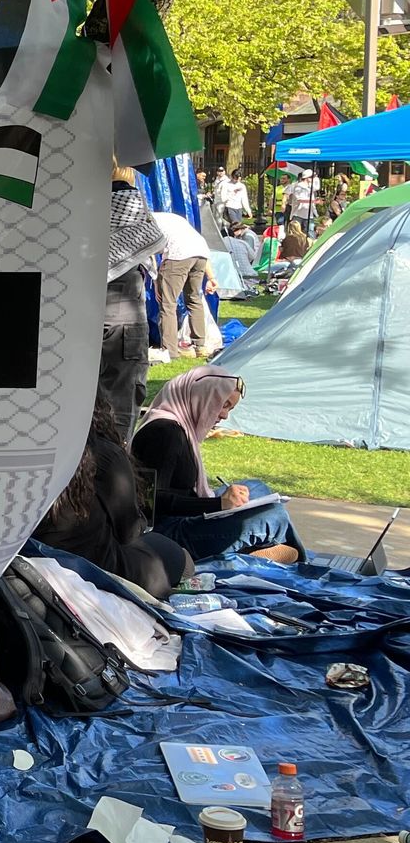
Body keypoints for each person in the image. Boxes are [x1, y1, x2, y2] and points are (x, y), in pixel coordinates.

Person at [131, 367, 301, 563]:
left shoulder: (181, 426)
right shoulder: (165, 433)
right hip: (165, 532)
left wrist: (222, 505)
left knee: (256, 488)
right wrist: (217, 505)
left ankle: (261, 552)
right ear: (200, 396)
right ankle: (286, 556)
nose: (224, 415)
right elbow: (149, 501)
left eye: (229, 408)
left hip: (184, 515)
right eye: (223, 405)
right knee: (273, 515)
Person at [36, 407, 194, 598]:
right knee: (183, 560)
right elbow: (129, 532)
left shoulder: (34, 445)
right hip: (96, 567)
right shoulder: (104, 453)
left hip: (42, 556)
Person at [101, 166, 164, 421]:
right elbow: (154, 239)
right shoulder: (128, 200)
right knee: (122, 397)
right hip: (121, 313)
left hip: (86, 303)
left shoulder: (76, 203)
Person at [152, 210, 217, 359]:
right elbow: (198, 249)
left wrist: (156, 280)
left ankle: (169, 352)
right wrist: (211, 277)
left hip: (178, 255)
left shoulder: (146, 222)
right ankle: (200, 346)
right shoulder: (173, 218)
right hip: (201, 253)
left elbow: (149, 253)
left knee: (168, 304)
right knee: (194, 299)